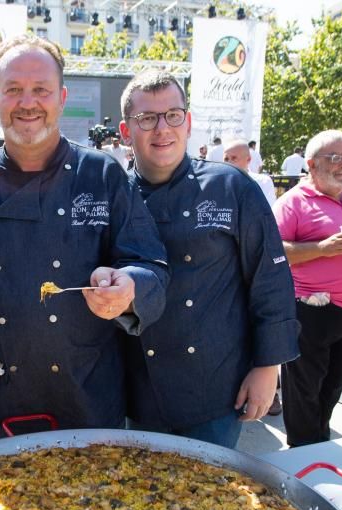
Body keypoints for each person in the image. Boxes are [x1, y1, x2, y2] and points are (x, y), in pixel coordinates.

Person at [0, 34, 169, 445]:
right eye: (14, 90)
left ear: (60, 98)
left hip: (89, 401)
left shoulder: (102, 175)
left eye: (40, 90)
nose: (28, 102)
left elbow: (151, 266)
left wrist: (128, 286)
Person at [119, 70, 299, 448]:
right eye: (147, 119)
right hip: (135, 391)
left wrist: (268, 368)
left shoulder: (231, 187)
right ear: (125, 131)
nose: (162, 129)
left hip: (214, 388)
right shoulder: (114, 194)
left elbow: (270, 281)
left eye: (172, 115)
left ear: (188, 122)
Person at [273, 129, 342, 447]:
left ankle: (318, 446)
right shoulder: (293, 202)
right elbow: (272, 251)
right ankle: (303, 455)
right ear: (310, 163)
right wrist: (322, 248)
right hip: (312, 310)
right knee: (304, 392)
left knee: (331, 390)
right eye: (334, 158)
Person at [223, 139, 281, 416]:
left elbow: (269, 281)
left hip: (223, 368)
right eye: (226, 157)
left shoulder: (249, 189)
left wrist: (268, 365)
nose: (229, 162)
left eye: (235, 157)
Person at [223, 140, 276, 205]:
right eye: (226, 159)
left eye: (234, 158)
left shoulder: (263, 182)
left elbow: (268, 211)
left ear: (248, 159)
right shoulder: (219, 183)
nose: (229, 163)